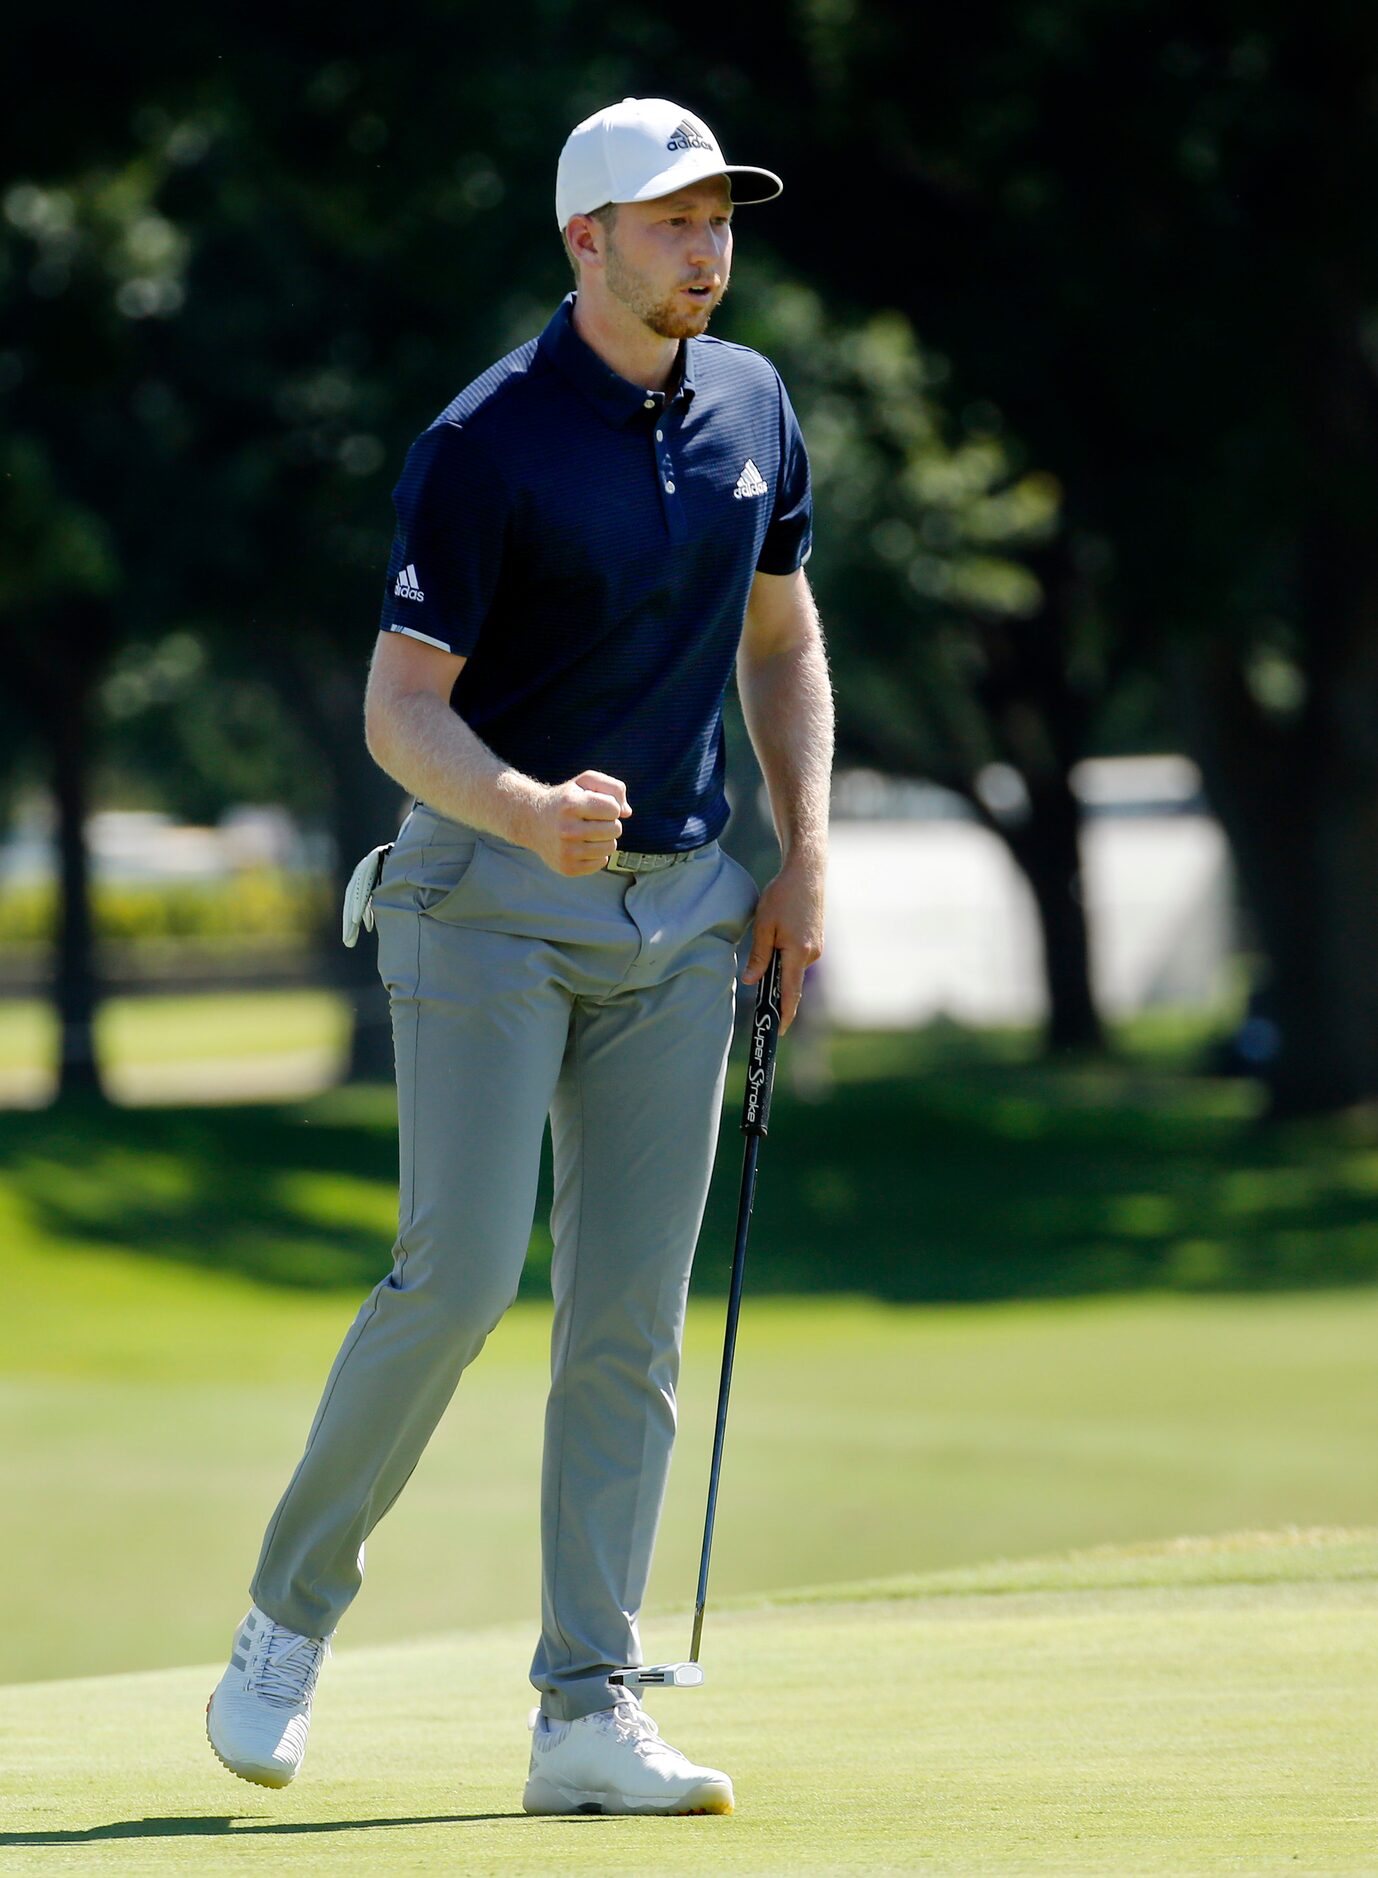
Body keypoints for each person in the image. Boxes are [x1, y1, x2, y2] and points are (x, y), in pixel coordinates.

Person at [206, 95, 833, 1818]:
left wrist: (801, 860)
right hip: (483, 899)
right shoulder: (482, 440)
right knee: (463, 1271)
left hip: (685, 910)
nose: (705, 248)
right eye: (671, 221)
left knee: (628, 1320)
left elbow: (782, 639)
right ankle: (286, 1619)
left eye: (720, 220)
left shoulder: (757, 406)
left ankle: (586, 1706)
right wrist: (521, 801)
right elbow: (399, 711)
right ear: (587, 241)